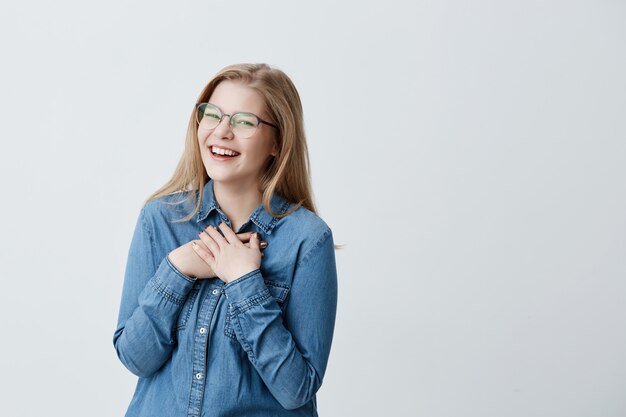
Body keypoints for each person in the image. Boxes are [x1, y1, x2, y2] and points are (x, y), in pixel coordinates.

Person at [112, 63, 338, 417]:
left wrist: (245, 283)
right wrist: (178, 269)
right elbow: (135, 357)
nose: (222, 131)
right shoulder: (160, 219)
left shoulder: (307, 241)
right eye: (212, 114)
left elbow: (297, 390)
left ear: (278, 142)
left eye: (244, 121)